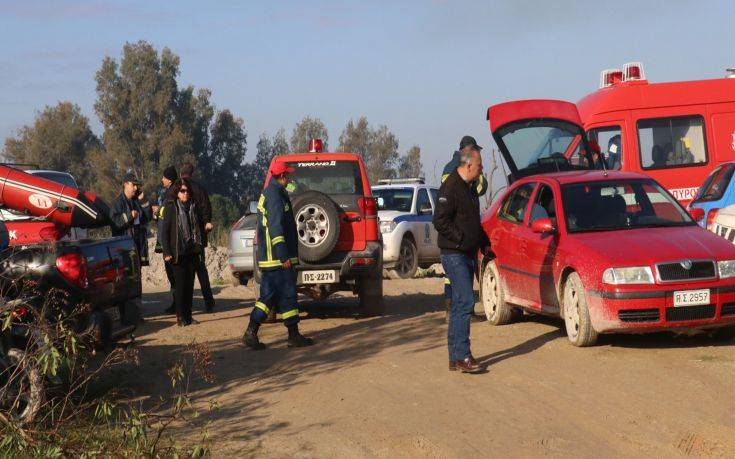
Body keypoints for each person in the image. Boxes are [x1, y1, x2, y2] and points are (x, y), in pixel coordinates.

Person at [242, 162, 314, 350]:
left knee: (270, 297)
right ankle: (290, 335)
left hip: (273, 258)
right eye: (287, 175)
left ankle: (255, 331)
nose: (289, 179)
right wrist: (283, 256)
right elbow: (275, 227)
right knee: (285, 295)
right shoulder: (274, 195)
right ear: (281, 176)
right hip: (277, 259)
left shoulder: (273, 192)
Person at [433, 145, 489, 373]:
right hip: (454, 254)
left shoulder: (470, 187)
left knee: (458, 305)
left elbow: (472, 220)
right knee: (466, 301)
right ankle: (463, 356)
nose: (482, 169)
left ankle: (454, 356)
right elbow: (439, 220)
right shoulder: (452, 186)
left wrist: (484, 243)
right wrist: (461, 239)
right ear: (468, 165)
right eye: (479, 165)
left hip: (467, 253)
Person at [440, 136, 488, 323]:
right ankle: (464, 312)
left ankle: (450, 308)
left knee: (449, 276)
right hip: (460, 232)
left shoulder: (447, 167)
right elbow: (481, 187)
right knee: (464, 273)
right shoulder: (462, 170)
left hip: (450, 232)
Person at [160, 178, 203, 326]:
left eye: (187, 191)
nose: (185, 194)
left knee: (190, 286)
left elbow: (198, 227)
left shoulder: (193, 206)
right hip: (177, 253)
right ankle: (180, 317)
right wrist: (166, 252)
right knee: (180, 286)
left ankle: (188, 315)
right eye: (182, 191)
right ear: (177, 192)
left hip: (191, 251)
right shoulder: (171, 207)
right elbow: (164, 232)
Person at [179, 162, 215, 313]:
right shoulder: (200, 188)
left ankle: (185, 305)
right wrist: (207, 222)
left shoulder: (178, 188)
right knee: (201, 271)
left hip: (183, 239)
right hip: (199, 237)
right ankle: (209, 302)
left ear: (181, 174)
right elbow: (207, 207)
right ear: (192, 173)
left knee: (186, 274)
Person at [110, 173, 152, 266]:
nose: (136, 188)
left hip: (138, 247)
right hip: (125, 250)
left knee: (137, 277)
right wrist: (129, 216)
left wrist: (144, 201)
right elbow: (114, 224)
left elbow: (148, 218)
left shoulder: (137, 201)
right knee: (128, 277)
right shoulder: (117, 203)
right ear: (125, 184)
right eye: (133, 185)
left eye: (137, 185)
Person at [153, 166, 178, 315]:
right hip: (166, 240)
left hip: (169, 242)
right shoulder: (168, 193)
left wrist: (158, 210)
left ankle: (178, 305)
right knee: (172, 275)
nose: (162, 179)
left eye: (164, 177)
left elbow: (167, 216)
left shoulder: (171, 195)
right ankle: (176, 303)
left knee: (173, 274)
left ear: (169, 179)